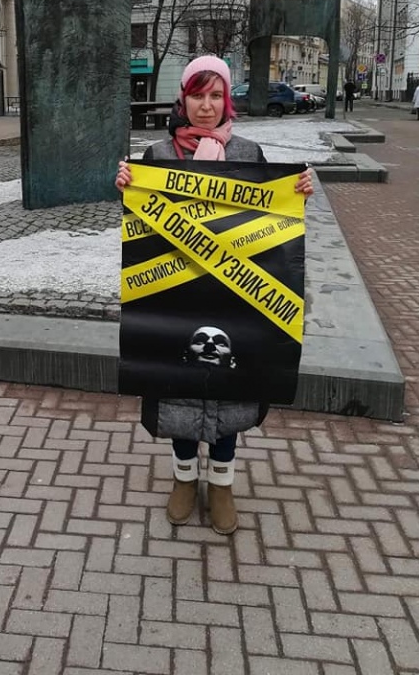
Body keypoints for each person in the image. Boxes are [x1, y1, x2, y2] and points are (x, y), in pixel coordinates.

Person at [115, 55, 313, 536]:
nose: (206, 105)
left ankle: (221, 482)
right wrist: (126, 187)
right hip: (174, 294)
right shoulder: (158, 156)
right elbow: (142, 223)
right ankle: (184, 478)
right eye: (198, 95)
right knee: (176, 386)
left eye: (216, 95)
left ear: (227, 100)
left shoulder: (248, 152)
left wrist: (299, 190)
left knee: (230, 388)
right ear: (183, 100)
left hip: (235, 295)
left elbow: (274, 218)